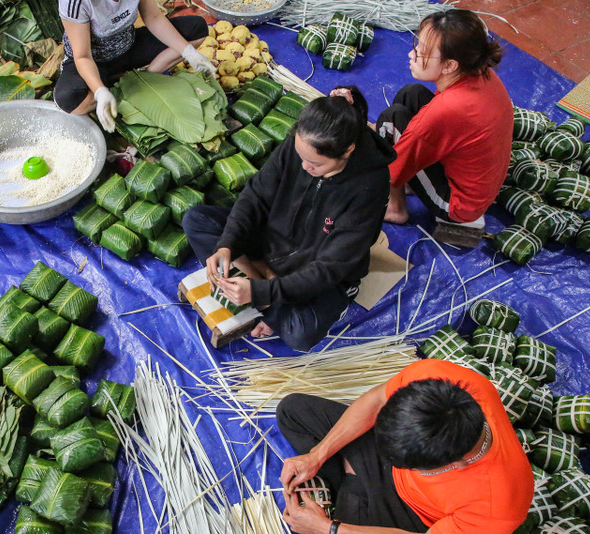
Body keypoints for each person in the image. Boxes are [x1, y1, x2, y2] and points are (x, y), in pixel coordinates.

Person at [278, 359, 534, 534]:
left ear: (455, 464)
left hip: (410, 519)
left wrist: (327, 528)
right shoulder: (443, 383)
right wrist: (317, 455)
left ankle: (350, 491)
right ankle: (351, 487)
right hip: (394, 450)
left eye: (410, 467)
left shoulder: (500, 502)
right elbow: (377, 399)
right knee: (291, 410)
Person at [182, 87, 395, 351]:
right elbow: (256, 195)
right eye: (301, 157)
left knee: (300, 334)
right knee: (197, 220)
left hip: (318, 264)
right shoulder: (300, 146)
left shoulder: (369, 186)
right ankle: (266, 288)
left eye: (315, 165)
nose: (305, 167)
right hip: (274, 239)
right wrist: (227, 244)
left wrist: (259, 293)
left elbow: (329, 268)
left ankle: (264, 290)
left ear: (348, 151)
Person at [376, 9, 512, 232]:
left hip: (459, 204)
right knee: (411, 94)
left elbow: (391, 169)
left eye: (421, 54)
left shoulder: (446, 109)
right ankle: (412, 183)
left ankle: (395, 207)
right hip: (480, 179)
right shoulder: (481, 71)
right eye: (416, 48)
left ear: (450, 65)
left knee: (389, 122)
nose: (412, 55)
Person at [54, 0, 215, 132]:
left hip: (129, 46)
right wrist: (99, 91)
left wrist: (188, 52)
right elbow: (82, 56)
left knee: (197, 28)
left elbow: (154, 18)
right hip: (94, 61)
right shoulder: (75, 3)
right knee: (68, 99)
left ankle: (145, 77)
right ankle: (114, 89)